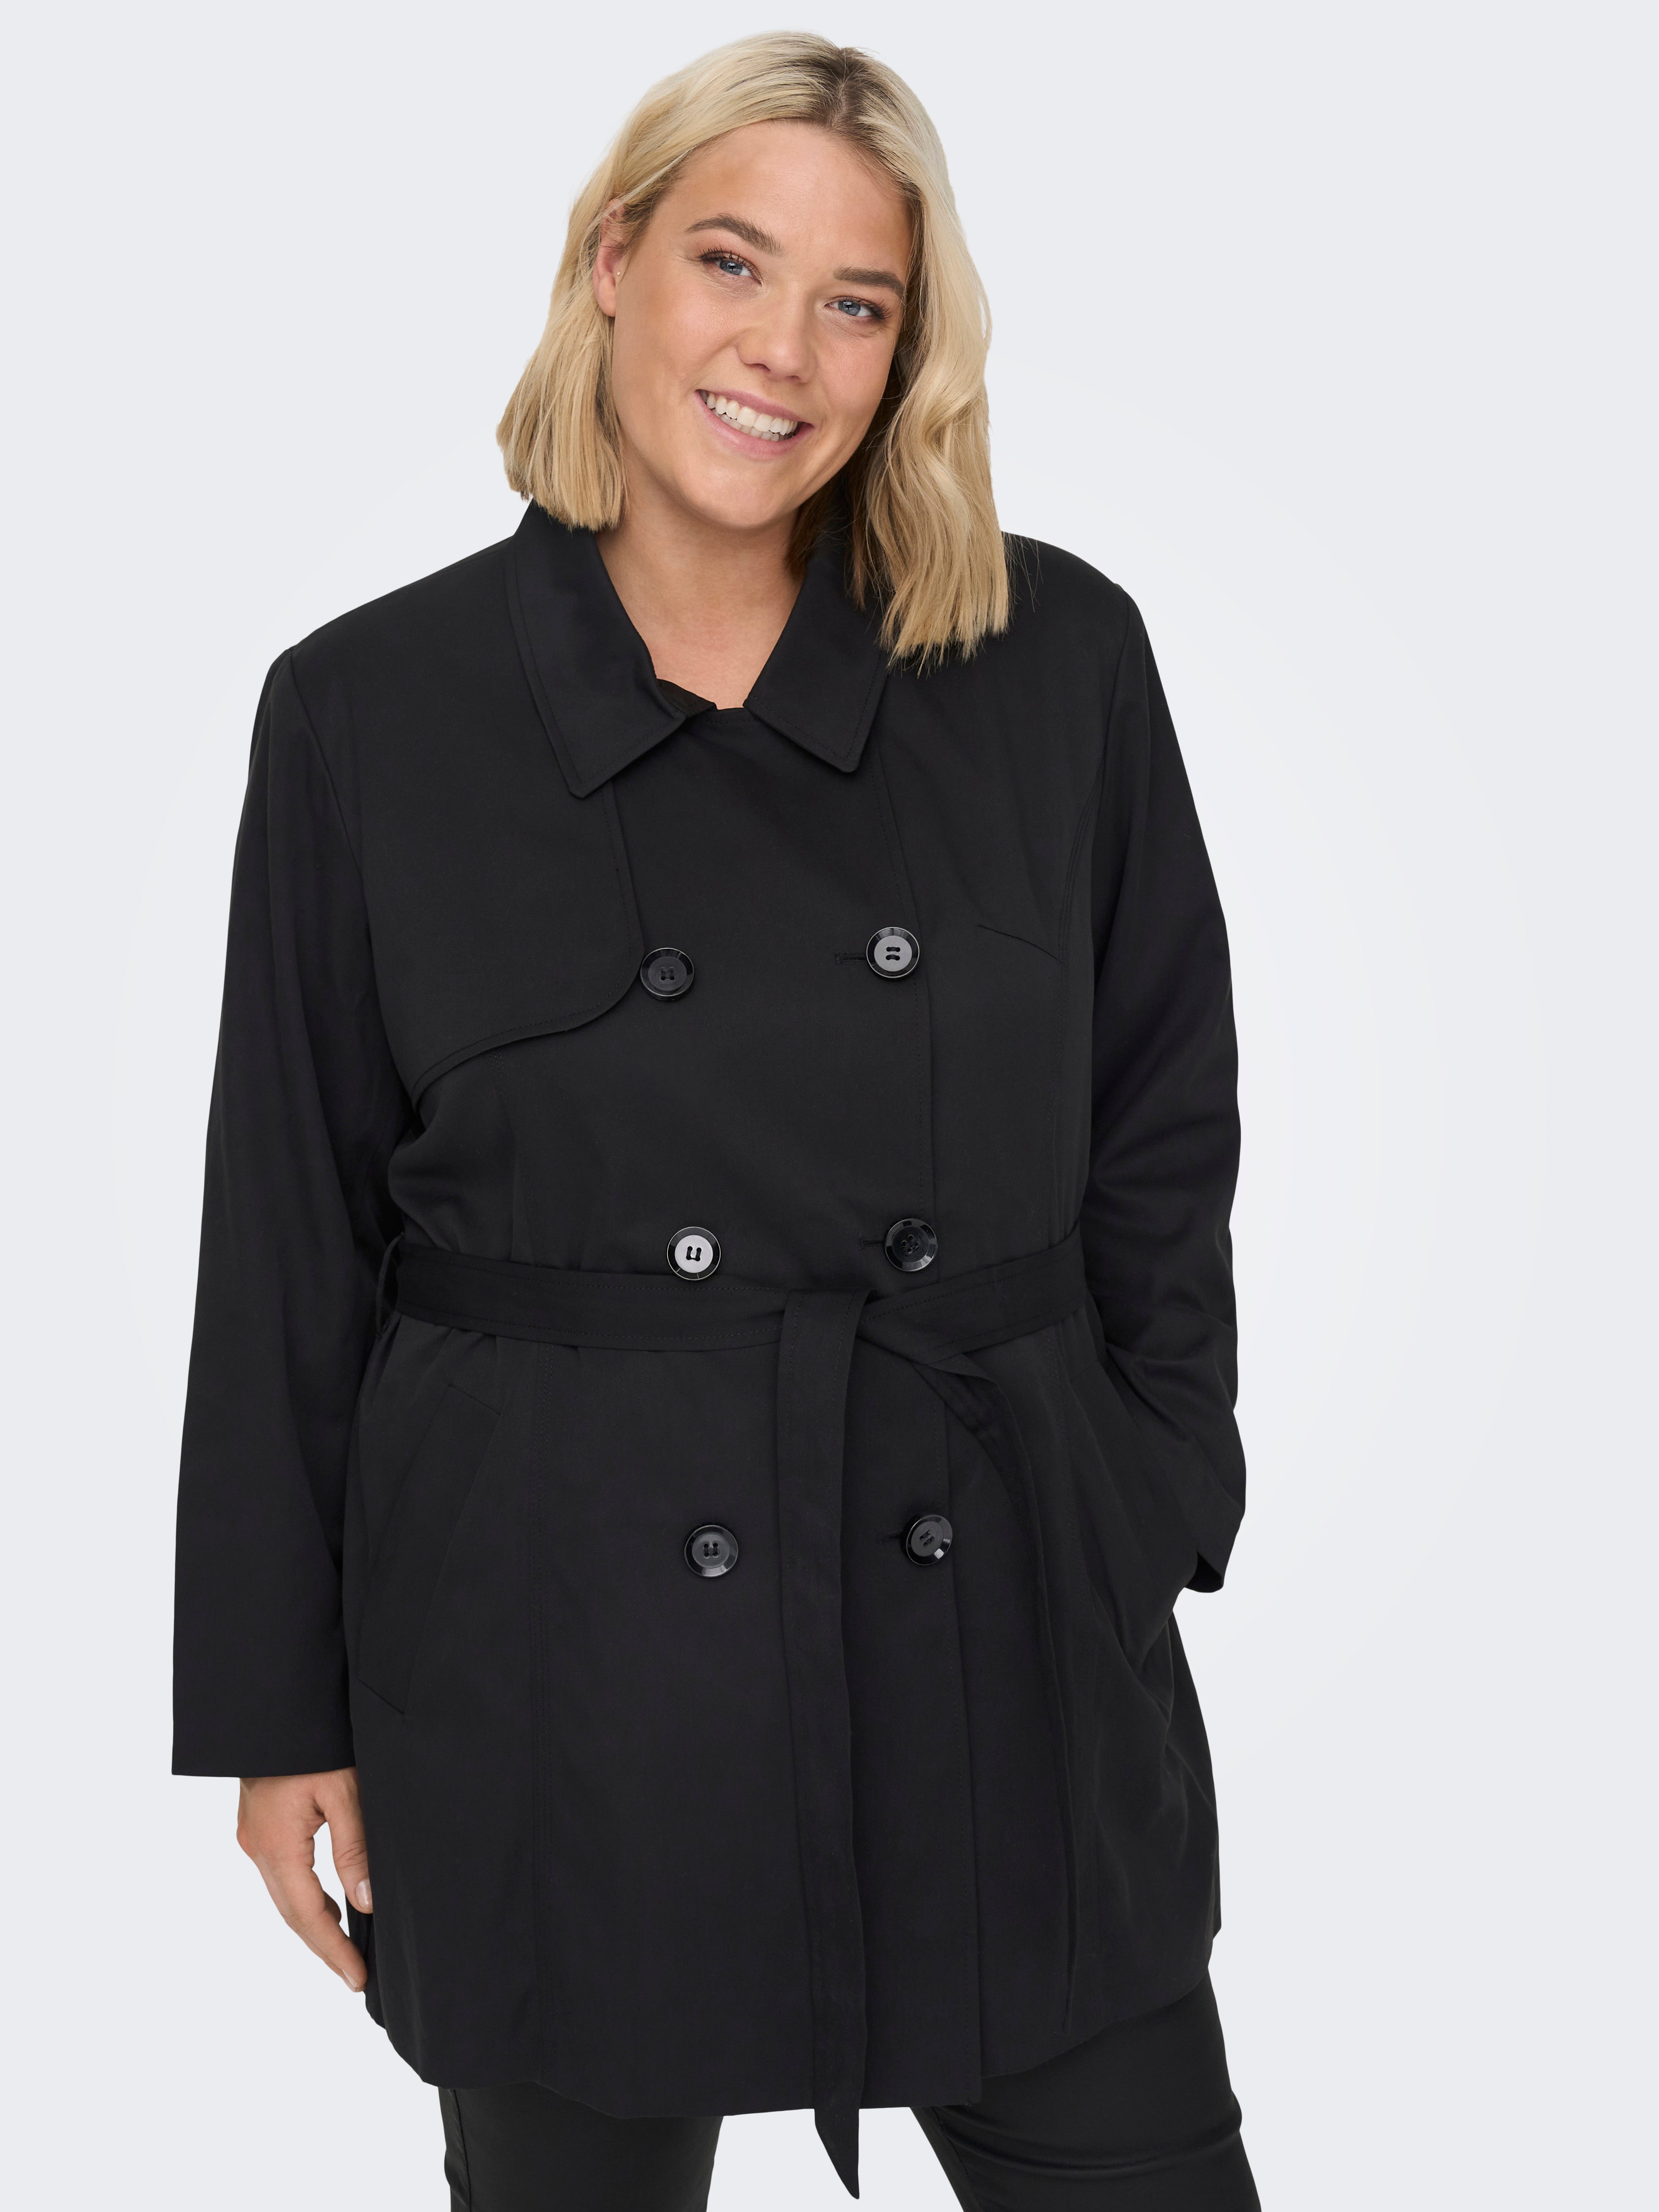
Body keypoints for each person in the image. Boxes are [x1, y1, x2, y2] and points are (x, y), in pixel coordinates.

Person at [172, 32, 1258, 2212]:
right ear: (614, 264)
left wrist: (1139, 1494)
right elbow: (287, 1227)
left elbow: (1165, 1112)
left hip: (992, 1629)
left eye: (856, 302)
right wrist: (281, 1708)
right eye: (731, 265)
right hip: (556, 1650)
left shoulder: (1052, 658)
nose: (782, 352)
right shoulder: (371, 709)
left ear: (907, 353)